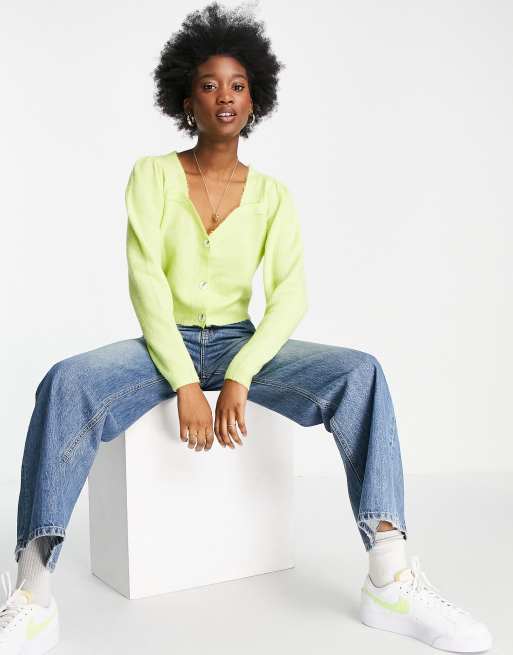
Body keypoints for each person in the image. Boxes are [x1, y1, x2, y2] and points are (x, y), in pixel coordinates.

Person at [0, 2, 493, 653]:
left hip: (241, 339)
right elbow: (146, 281)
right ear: (188, 102)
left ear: (254, 101)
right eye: (209, 85)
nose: (224, 96)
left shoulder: (272, 196)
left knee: (361, 373)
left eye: (237, 85)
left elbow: (290, 295)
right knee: (65, 381)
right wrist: (184, 381)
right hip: (164, 343)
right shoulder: (151, 176)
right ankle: (32, 594)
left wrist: (239, 373)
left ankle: (389, 578)